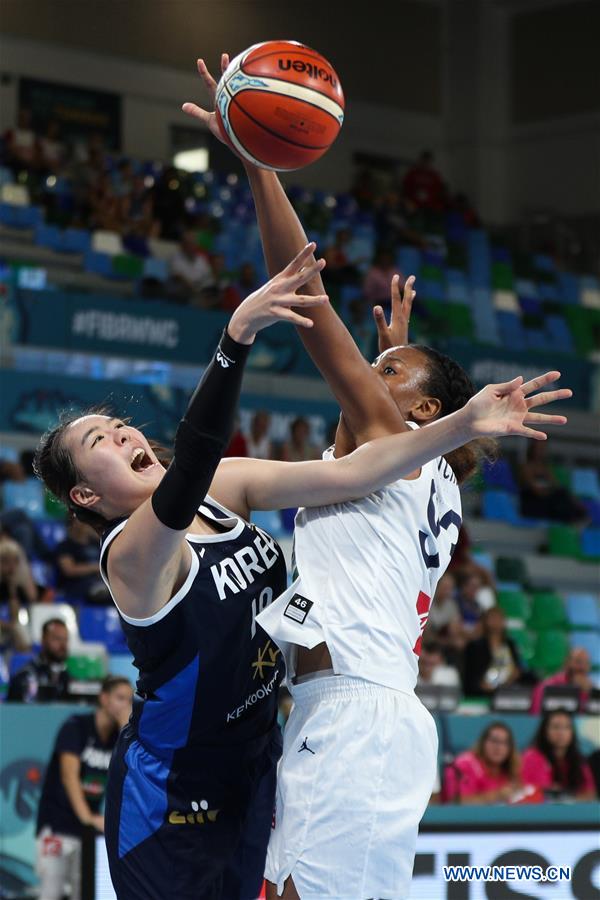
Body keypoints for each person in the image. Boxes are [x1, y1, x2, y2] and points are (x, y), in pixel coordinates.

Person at [35, 237, 566, 900]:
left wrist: (451, 423)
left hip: (262, 762)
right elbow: (194, 460)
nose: (121, 435)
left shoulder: (226, 487)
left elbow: (353, 472)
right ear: (85, 495)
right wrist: (234, 338)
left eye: (118, 426)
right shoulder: (131, 554)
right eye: (99, 443)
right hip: (174, 789)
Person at [183, 54, 572, 900]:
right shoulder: (423, 469)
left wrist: (258, 163)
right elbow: (388, 400)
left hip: (355, 715)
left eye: (387, 371)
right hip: (353, 713)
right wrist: (401, 357)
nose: (369, 372)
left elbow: (309, 301)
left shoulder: (395, 438)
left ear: (424, 413)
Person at [36, 676, 133, 900]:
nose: (126, 705)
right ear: (104, 698)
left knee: (85, 892)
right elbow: (69, 777)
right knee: (51, 892)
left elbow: (130, 778)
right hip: (58, 825)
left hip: (86, 833)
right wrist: (88, 817)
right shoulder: (76, 726)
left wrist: (124, 730)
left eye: (130, 700)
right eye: (120, 698)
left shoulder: (117, 740)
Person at [521, 710, 596, 801]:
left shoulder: (579, 761)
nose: (561, 732)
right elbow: (542, 794)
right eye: (556, 727)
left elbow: (590, 794)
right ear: (545, 731)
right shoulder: (532, 757)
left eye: (567, 727)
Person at [443, 721, 521, 804]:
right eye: (494, 741)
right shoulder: (465, 764)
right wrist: (497, 795)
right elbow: (458, 802)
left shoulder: (512, 769)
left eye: (504, 743)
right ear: (483, 742)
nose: (498, 747)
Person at [518, 440, 588, 524]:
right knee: (559, 499)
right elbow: (536, 489)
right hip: (532, 501)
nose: (541, 451)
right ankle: (573, 520)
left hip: (546, 498)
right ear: (532, 449)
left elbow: (555, 484)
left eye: (543, 449)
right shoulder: (527, 467)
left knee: (562, 493)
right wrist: (550, 490)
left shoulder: (545, 467)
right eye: (539, 448)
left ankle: (578, 517)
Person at [463, 607, 523, 698]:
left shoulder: (510, 645)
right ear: (485, 621)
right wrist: (481, 685)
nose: (496, 621)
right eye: (493, 618)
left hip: (507, 691)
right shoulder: (474, 647)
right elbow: (470, 674)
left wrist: (512, 677)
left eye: (499, 618)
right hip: (481, 692)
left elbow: (516, 669)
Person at [7, 618, 70, 702]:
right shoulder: (25, 676)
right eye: (57, 639)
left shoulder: (70, 676)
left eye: (65, 639)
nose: (63, 645)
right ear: (43, 640)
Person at [55, 518, 110, 604]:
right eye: (81, 522)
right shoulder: (65, 546)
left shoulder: (96, 544)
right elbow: (69, 570)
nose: (85, 525)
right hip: (77, 586)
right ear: (72, 525)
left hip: (100, 581)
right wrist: (96, 568)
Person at [530, 647, 593, 714]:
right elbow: (535, 715)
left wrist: (585, 694)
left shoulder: (592, 690)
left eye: (586, 663)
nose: (582, 667)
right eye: (578, 661)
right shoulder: (546, 686)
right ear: (567, 663)